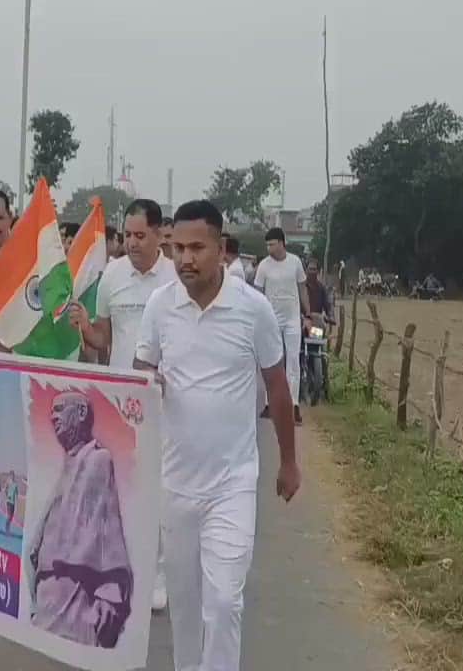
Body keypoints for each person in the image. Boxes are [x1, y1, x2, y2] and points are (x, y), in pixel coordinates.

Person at [134, 199, 301, 671]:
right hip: (176, 483)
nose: (185, 258)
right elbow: (140, 373)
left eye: (196, 248)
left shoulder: (254, 310)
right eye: (178, 248)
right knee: (185, 609)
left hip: (232, 483)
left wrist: (289, 462)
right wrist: (149, 383)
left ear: (220, 248)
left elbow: (277, 387)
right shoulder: (160, 307)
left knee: (225, 602)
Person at [68, 198, 176, 610]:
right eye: (127, 235)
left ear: (157, 234)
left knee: (160, 487)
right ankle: (117, 569)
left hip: (163, 400)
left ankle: (159, 573)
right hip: (119, 399)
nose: (131, 242)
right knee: (118, 486)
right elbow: (103, 339)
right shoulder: (112, 277)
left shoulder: (174, 277)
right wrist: (84, 327)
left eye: (139, 235)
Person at [28, 391, 131, 648]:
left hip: (75, 593)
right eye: (52, 411)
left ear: (82, 413)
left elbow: (108, 536)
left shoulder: (97, 460)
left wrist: (108, 595)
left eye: (60, 409)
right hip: (47, 594)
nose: (53, 417)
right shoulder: (68, 463)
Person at [254, 227, 312, 424]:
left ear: (282, 243)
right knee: (274, 361)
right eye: (267, 245)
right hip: (271, 320)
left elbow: (302, 288)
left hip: (292, 319)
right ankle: (271, 403)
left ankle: (294, 404)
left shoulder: (295, 262)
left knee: (293, 360)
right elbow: (258, 293)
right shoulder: (264, 266)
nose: (269, 248)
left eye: (272, 244)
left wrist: (308, 314)